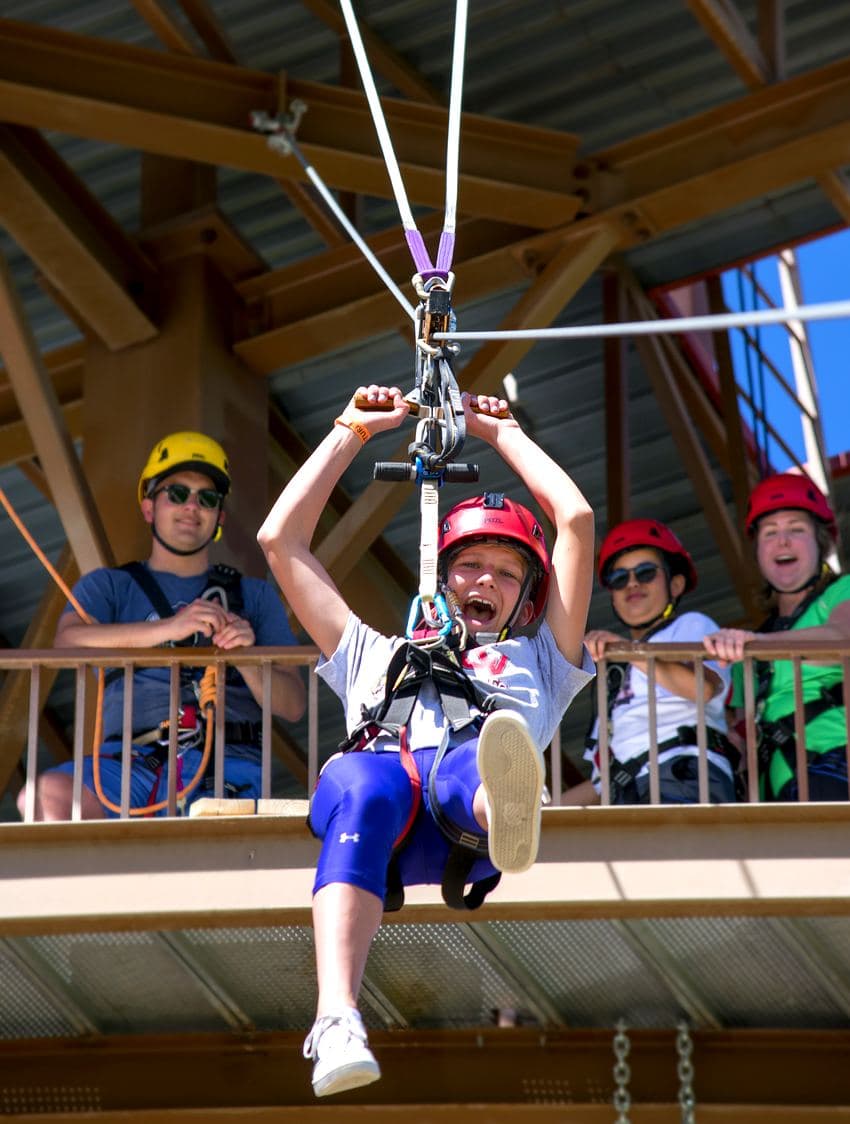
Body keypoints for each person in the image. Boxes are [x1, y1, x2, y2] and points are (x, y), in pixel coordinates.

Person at [258, 383, 595, 1098]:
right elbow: (279, 543)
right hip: (381, 823)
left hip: (467, 834)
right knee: (358, 778)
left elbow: (576, 520)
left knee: (475, 756)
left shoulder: (541, 661)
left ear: (526, 596)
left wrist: (503, 434)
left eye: (507, 573)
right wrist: (350, 429)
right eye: (472, 565)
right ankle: (337, 1018)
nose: (487, 581)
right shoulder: (372, 655)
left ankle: (503, 803)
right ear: (440, 578)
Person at [20, 431, 306, 821]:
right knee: (43, 796)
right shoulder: (110, 587)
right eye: (177, 493)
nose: (192, 506)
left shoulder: (252, 596)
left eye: (206, 498)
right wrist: (169, 628)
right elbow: (67, 643)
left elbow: (293, 706)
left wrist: (248, 659)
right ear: (149, 507)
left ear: (219, 517)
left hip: (227, 770)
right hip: (128, 766)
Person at [704, 472, 850, 802]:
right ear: (758, 552)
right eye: (770, 533)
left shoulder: (841, 592)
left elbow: (842, 637)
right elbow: (748, 735)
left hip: (835, 764)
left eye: (796, 530)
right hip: (781, 787)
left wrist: (754, 645)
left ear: (821, 542)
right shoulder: (750, 652)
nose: (782, 541)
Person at [570, 518, 737, 805]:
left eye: (645, 572)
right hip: (631, 790)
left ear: (676, 583)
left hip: (686, 776)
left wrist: (625, 650)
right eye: (619, 578)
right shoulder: (618, 670)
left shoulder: (691, 624)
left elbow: (702, 688)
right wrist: (541, 813)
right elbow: (604, 779)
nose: (632, 583)